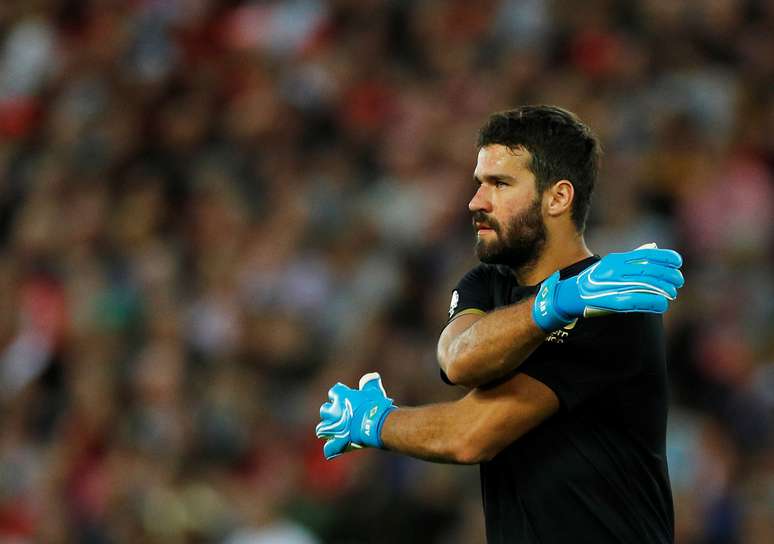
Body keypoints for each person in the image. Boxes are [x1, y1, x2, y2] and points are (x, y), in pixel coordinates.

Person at [315, 105, 684, 543]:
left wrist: (375, 421)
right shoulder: (487, 284)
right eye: (479, 183)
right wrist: (556, 302)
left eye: (500, 184)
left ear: (558, 198)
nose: (477, 201)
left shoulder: (613, 309)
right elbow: (457, 361)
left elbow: (470, 436)